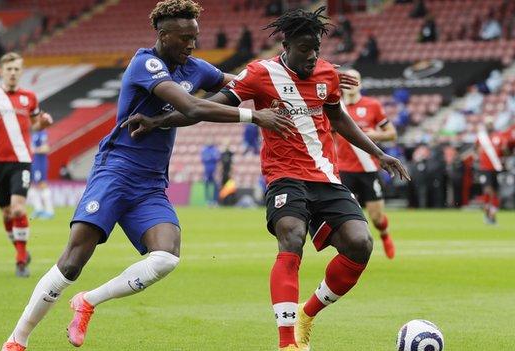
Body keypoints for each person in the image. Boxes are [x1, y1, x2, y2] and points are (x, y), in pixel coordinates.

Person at [0, 1, 292, 350]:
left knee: (166, 256)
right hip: (115, 171)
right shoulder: (145, 63)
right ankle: (17, 341)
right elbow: (192, 108)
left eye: (195, 37)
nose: (192, 45)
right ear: (163, 35)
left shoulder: (195, 68)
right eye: (185, 38)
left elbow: (244, 84)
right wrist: (254, 117)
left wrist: (293, 79)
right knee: (74, 260)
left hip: (151, 184)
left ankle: (88, 301)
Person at [127, 7, 409, 351]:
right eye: (305, 48)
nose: (312, 55)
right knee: (292, 237)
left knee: (360, 244)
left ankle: (308, 312)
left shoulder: (326, 75)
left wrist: (378, 152)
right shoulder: (260, 74)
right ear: (286, 44)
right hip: (284, 177)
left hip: (326, 177)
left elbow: (339, 119)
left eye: (316, 49)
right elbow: (208, 105)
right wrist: (160, 121)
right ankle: (287, 342)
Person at [0, 52, 53, 279]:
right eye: (9, 69)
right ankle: (21, 251)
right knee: (7, 214)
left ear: (21, 71)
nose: (13, 73)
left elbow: (36, 125)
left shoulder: (30, 97)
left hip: (21, 161)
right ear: (1, 72)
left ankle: (20, 261)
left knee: (18, 209)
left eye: (17, 69)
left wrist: (43, 123)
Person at [335, 69, 399, 259]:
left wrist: (372, 135)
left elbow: (392, 133)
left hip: (369, 169)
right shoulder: (334, 106)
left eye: (356, 79)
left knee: (377, 218)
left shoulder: (372, 105)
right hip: (344, 170)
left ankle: (385, 234)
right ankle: (350, 251)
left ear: (361, 83)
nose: (353, 83)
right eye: (349, 80)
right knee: (346, 217)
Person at [475, 118, 507, 224]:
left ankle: (491, 215)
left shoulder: (499, 137)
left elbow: (505, 150)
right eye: (487, 124)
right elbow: (476, 149)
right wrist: (479, 156)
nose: (489, 126)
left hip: (496, 168)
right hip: (484, 169)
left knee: (495, 193)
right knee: (487, 190)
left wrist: (503, 153)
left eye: (490, 124)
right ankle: (488, 213)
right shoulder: (481, 137)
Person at [30, 129, 54, 219]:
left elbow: (46, 148)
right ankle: (38, 209)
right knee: (32, 185)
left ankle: (49, 211)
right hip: (34, 162)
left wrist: (34, 149)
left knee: (42, 184)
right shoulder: (34, 133)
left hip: (40, 163)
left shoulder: (42, 134)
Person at [201, 141, 221, 206]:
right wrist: (211, 158)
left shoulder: (215, 149)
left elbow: (217, 158)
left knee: (215, 186)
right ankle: (208, 201)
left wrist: (209, 158)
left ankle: (214, 200)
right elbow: (203, 159)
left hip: (214, 170)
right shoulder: (204, 149)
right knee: (207, 186)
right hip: (207, 171)